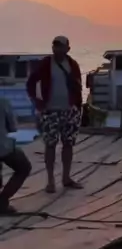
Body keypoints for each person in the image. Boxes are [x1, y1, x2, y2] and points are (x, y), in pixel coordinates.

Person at [26, 36, 83, 193]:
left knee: (68, 144)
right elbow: (31, 83)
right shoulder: (45, 64)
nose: (56, 48)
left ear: (67, 49)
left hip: (69, 110)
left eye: (60, 46)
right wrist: (37, 101)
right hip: (50, 110)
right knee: (50, 144)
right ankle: (50, 181)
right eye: (55, 45)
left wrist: (78, 106)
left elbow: (77, 86)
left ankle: (66, 178)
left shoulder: (73, 64)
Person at [0, 97, 32, 213]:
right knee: (24, 167)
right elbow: (12, 127)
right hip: (3, 146)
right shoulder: (3, 102)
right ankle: (2, 201)